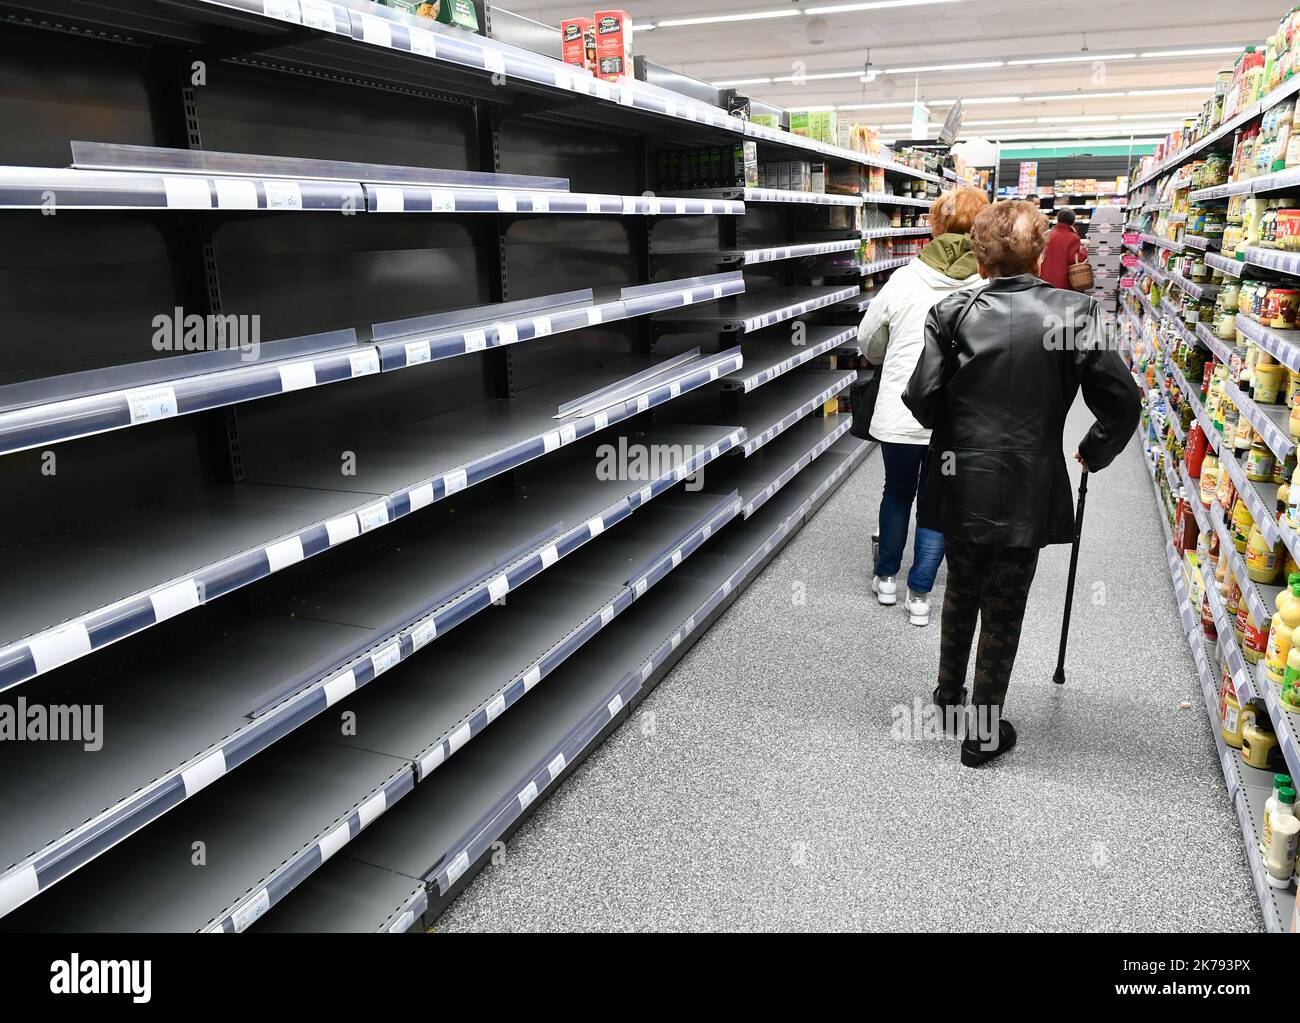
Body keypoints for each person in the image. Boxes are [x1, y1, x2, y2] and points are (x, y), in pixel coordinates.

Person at [902, 200, 1139, 767]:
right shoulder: (1072, 314)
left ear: (980, 257)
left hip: (961, 478)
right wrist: (1093, 448)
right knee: (1004, 605)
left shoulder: (952, 312)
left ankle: (946, 695)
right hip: (1028, 482)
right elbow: (1122, 402)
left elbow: (921, 399)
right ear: (1039, 252)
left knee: (961, 588)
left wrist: (959, 424)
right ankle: (983, 734)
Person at [856, 185, 988, 627]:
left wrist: (890, 356)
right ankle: (920, 595)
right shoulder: (987, 286)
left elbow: (868, 340)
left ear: (935, 224)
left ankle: (886, 579)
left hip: (901, 409)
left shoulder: (904, 278)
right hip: (955, 418)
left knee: (897, 493)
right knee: (939, 502)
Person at [1039, 208, 1087, 289]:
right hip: (1062, 280)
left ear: (1058, 219)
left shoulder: (1048, 234)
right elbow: (1073, 259)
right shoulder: (1073, 238)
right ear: (1073, 222)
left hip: (1044, 278)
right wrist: (1084, 250)